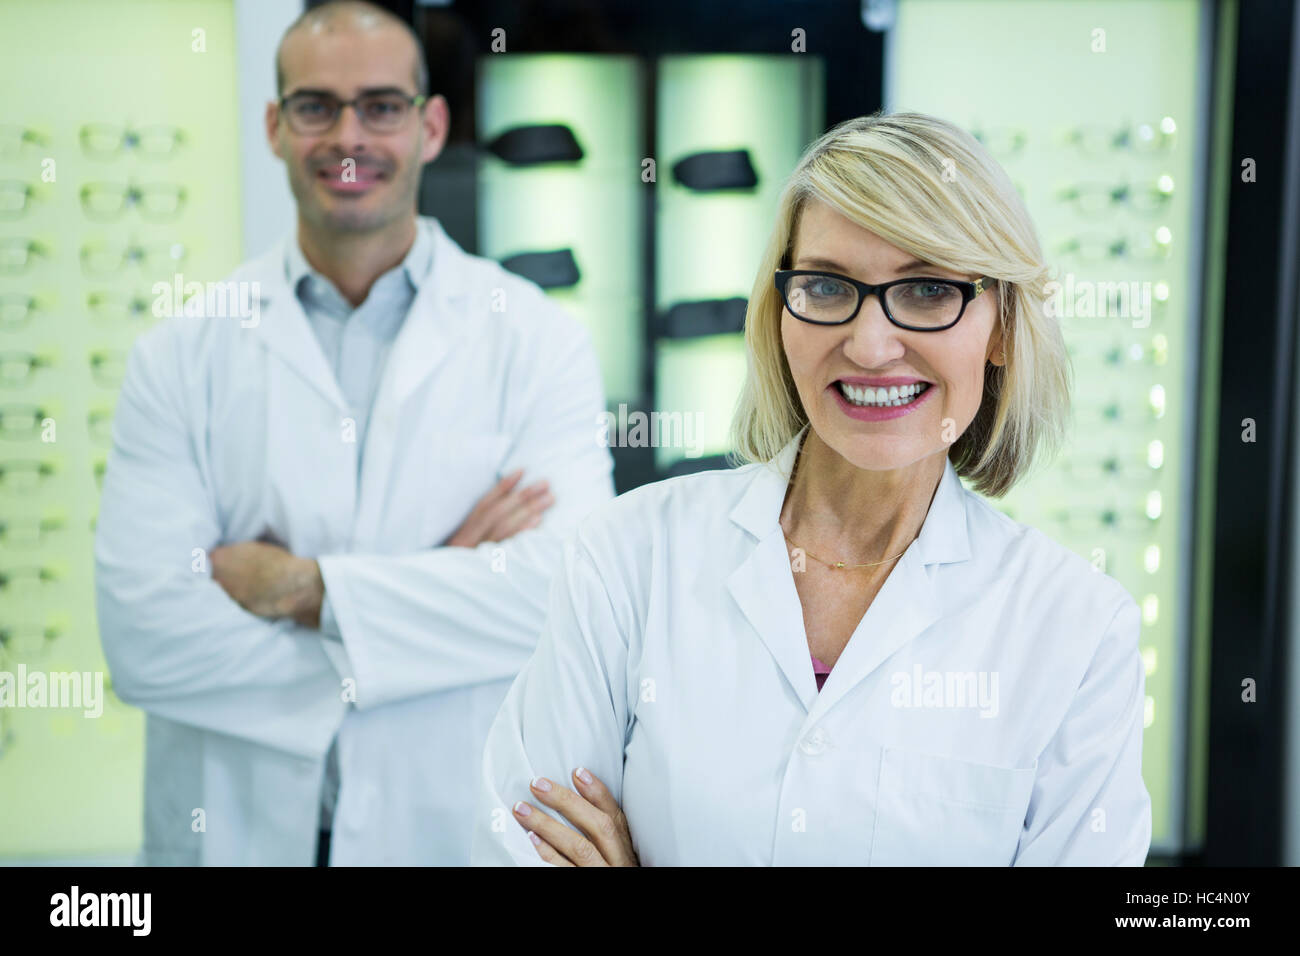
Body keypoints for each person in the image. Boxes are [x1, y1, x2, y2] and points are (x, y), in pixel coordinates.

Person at [472, 111, 1152, 866]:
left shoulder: (1079, 631)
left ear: (1000, 327)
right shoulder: (628, 557)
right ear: (780, 310)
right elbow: (524, 841)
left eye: (927, 289)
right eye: (828, 286)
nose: (868, 345)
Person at [94, 0, 614, 866]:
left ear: (431, 125)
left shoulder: (536, 338)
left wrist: (306, 592)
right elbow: (146, 640)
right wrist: (439, 586)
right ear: (273, 125)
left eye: (381, 106)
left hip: (445, 826)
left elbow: (558, 603)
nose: (349, 136)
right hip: (233, 832)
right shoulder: (180, 353)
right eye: (315, 106)